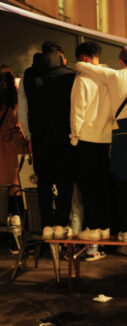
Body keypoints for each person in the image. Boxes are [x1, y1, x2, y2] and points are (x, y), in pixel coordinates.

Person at [75, 46, 127, 243]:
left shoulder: (114, 76)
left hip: (122, 134)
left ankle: (126, 230)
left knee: (124, 184)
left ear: (120, 61)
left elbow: (84, 67)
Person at [18, 41, 76, 239]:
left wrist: (29, 135)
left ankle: (46, 225)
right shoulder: (69, 74)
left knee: (43, 182)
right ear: (59, 54)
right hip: (64, 137)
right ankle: (60, 224)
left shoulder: (28, 74)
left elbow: (23, 109)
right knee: (65, 182)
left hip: (40, 137)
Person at [70, 41, 112, 248]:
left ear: (84, 58)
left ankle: (93, 227)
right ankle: (104, 226)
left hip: (86, 138)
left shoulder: (82, 81)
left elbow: (77, 111)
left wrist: (74, 138)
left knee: (88, 186)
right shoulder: (108, 79)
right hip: (106, 139)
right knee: (103, 185)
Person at [0, 65, 28, 241]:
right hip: (14, 150)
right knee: (16, 192)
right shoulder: (16, 101)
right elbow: (22, 125)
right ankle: (16, 238)